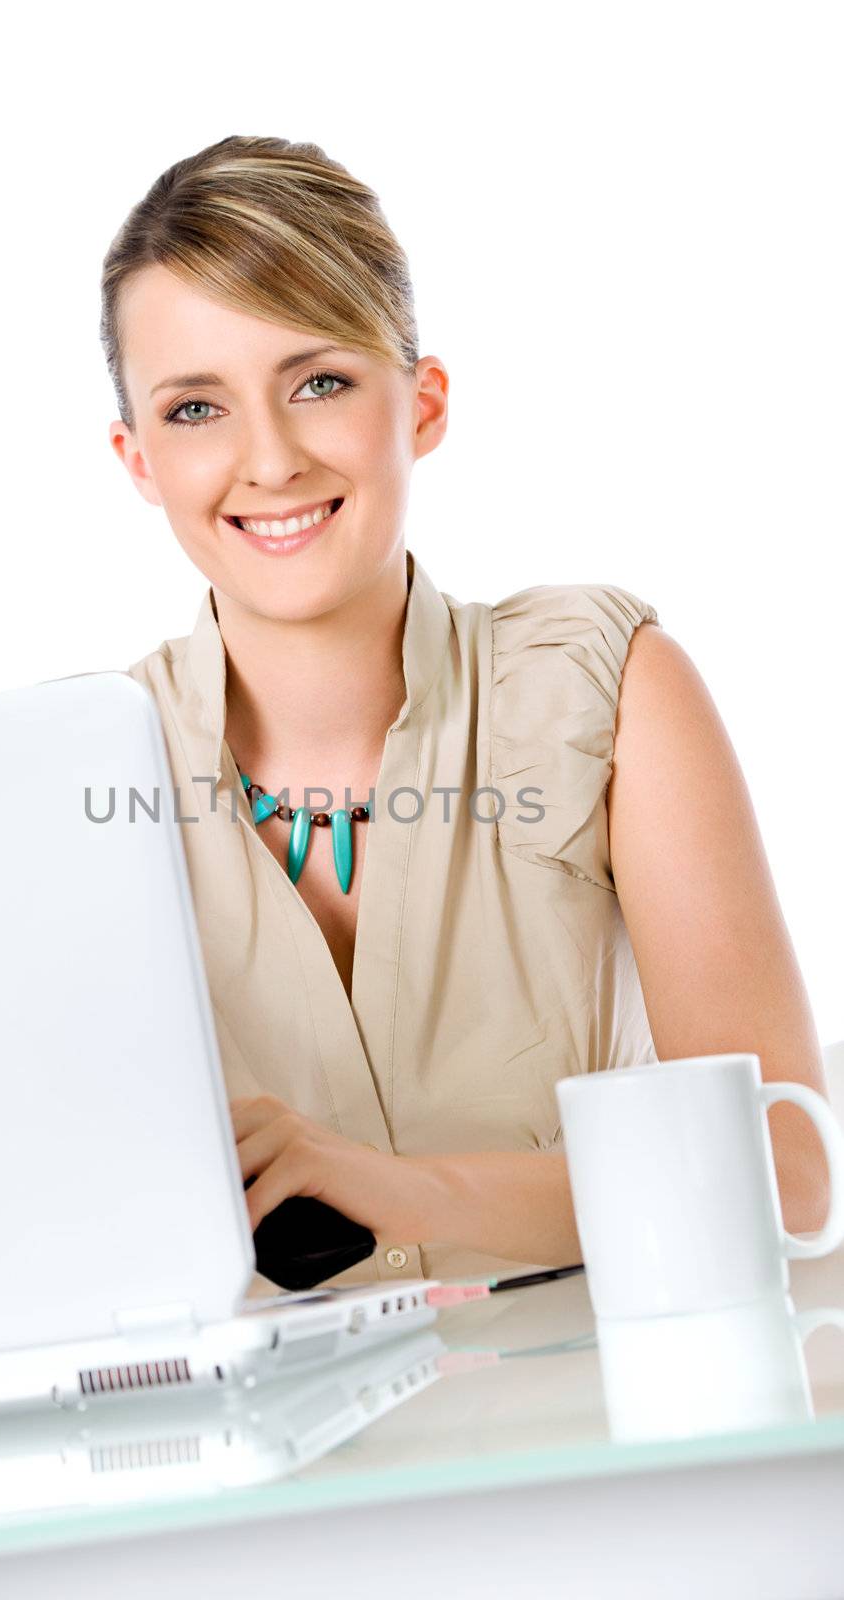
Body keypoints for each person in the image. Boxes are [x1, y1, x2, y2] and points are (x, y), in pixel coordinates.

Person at [102, 133, 830, 1288]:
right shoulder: (67, 773)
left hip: (621, 1427)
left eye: (319, 383)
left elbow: (791, 1170)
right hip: (270, 1456)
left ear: (422, 404)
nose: (271, 459)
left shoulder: (607, 689)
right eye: (197, 409)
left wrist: (401, 1190)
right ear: (136, 457)